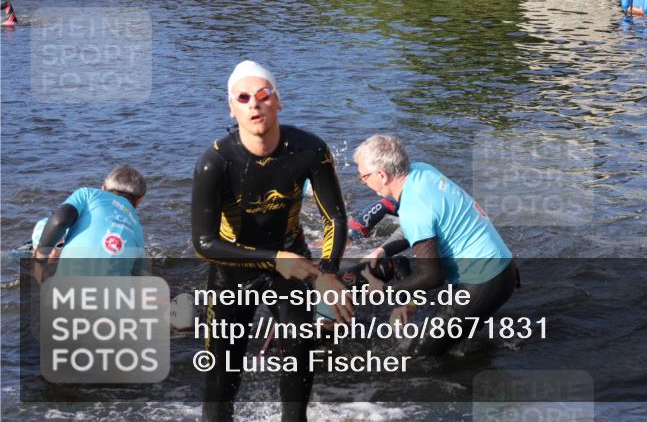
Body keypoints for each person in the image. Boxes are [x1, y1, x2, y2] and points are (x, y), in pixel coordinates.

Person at [191, 60, 352, 422]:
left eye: (263, 94)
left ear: (278, 101)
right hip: (232, 271)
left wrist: (327, 273)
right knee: (221, 377)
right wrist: (274, 257)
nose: (254, 103)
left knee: (299, 353)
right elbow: (203, 242)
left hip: (291, 268)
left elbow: (335, 218)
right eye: (243, 97)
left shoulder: (309, 150)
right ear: (231, 107)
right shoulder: (215, 162)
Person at [354, 135, 517, 356]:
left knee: (419, 354)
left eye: (363, 176)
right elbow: (423, 224)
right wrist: (382, 250)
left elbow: (431, 277)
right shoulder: (421, 172)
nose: (362, 181)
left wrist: (384, 293)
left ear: (382, 175)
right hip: (500, 267)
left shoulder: (414, 208)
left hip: (484, 280)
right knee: (456, 345)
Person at [31, 165, 147, 279]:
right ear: (139, 200)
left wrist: (39, 260)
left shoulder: (88, 194)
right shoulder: (137, 228)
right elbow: (136, 276)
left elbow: (58, 221)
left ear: (103, 187)